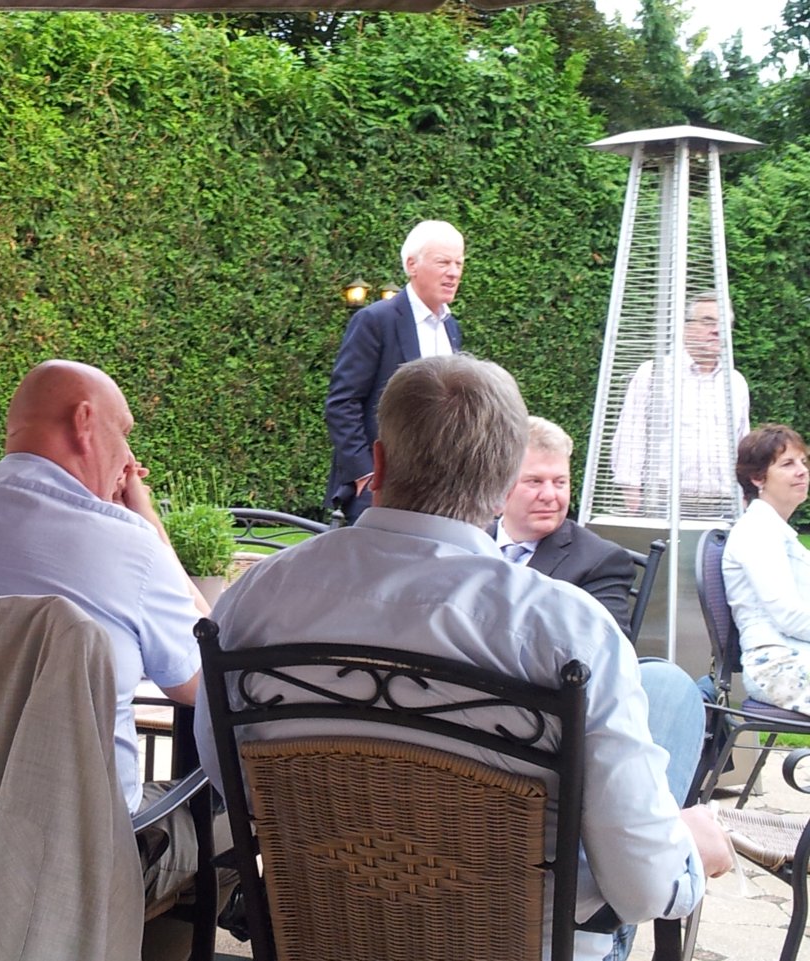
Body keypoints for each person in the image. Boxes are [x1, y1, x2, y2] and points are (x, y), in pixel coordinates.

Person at [197, 354, 732, 961]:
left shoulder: (256, 597)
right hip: (526, 944)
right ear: (505, 487)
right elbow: (644, 892)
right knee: (668, 697)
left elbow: (229, 779)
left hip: (321, 931)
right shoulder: (567, 631)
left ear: (379, 462)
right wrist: (687, 850)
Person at [0, 359, 208, 903]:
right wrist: (151, 527)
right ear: (84, 422)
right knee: (231, 813)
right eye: (124, 433)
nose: (129, 459)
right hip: (80, 859)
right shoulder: (129, 546)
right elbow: (203, 680)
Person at [324, 220, 465, 523]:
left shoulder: (451, 328)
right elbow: (342, 403)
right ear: (412, 265)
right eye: (443, 262)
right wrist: (365, 474)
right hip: (382, 488)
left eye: (459, 263)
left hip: (438, 491)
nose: (454, 272)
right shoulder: (376, 321)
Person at [611, 290, 749, 517]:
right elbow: (631, 436)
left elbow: (743, 443)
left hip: (724, 505)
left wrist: (745, 497)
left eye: (724, 324)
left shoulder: (735, 383)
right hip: (664, 502)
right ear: (685, 328)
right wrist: (632, 498)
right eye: (708, 322)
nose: (717, 330)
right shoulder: (654, 373)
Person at [495, 416, 635, 638]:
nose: (550, 495)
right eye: (535, 481)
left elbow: (608, 648)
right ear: (499, 484)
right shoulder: (467, 540)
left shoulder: (600, 562)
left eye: (560, 482)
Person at [722, 424, 810, 713]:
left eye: (803, 462)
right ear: (758, 478)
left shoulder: (775, 530)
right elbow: (789, 616)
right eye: (788, 464)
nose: (802, 471)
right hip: (777, 667)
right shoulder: (757, 532)